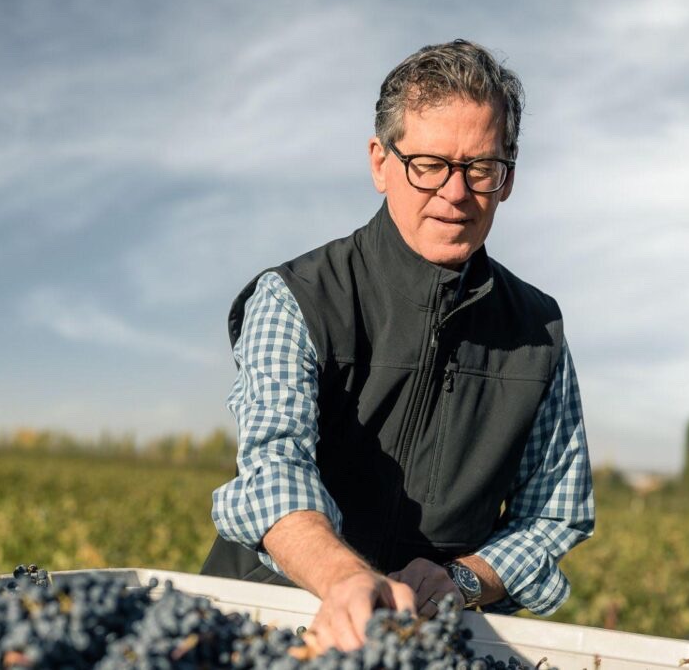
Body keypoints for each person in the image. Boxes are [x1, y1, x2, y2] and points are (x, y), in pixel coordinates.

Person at [200, 39, 595, 651]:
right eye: (429, 164)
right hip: (267, 621)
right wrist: (346, 579)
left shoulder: (538, 332)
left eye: (480, 168)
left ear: (507, 178)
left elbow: (552, 516)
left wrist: (462, 580)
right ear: (381, 163)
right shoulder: (298, 297)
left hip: (426, 641)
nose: (456, 193)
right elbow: (273, 471)